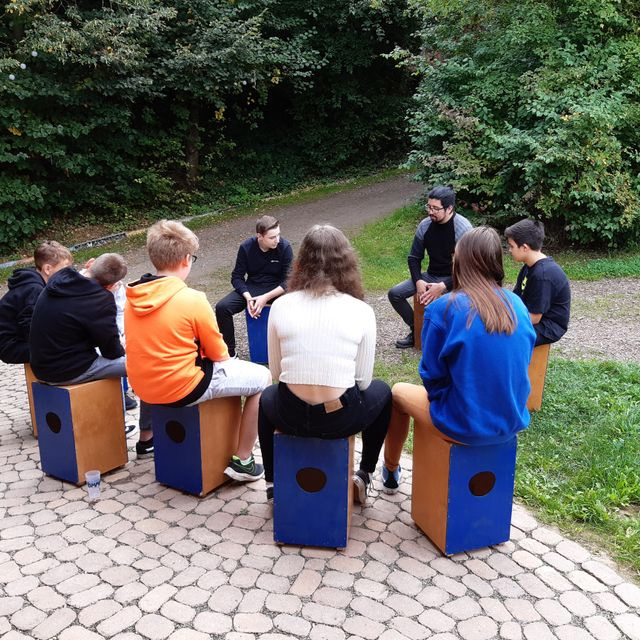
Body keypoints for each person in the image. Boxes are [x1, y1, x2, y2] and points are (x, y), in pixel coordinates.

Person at [381, 227, 536, 493]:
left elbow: (431, 375)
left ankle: (391, 471)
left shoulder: (443, 308)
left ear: (460, 261)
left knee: (397, 394)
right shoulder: (518, 305)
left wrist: (449, 401)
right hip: (510, 420)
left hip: (461, 422)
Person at [258, 224, 392, 505]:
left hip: (290, 414)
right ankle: (364, 474)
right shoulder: (361, 311)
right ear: (347, 262)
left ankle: (272, 483)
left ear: (301, 261)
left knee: (266, 398)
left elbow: (276, 372)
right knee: (383, 393)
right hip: (340, 418)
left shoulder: (281, 305)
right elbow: (363, 380)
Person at [125, 220, 271, 474]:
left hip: (144, 387)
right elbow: (220, 354)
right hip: (182, 387)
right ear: (186, 260)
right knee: (263, 378)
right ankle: (243, 459)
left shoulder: (133, 296)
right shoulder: (192, 299)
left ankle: (150, 440)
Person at [29, 253, 144, 437]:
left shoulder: (60, 279)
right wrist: (124, 344)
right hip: (68, 370)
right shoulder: (100, 299)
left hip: (40, 365)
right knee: (144, 364)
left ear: (91, 265)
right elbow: (112, 352)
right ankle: (136, 431)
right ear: (112, 286)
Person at [388, 185, 473, 348]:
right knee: (395, 294)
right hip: (431, 275)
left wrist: (444, 285)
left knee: (459, 304)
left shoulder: (463, 229)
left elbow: (470, 268)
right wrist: (418, 280)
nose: (430, 212)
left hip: (458, 278)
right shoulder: (425, 225)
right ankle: (417, 330)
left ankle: (455, 340)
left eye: (435, 208)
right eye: (429, 207)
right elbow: (414, 257)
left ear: (449, 208)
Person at [215, 215, 293, 357]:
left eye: (278, 235)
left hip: (277, 290)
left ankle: (289, 350)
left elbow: (289, 281)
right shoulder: (246, 247)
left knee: (294, 305)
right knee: (222, 308)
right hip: (252, 288)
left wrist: (265, 298)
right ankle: (230, 354)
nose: (277, 240)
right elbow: (237, 277)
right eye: (272, 237)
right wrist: (248, 297)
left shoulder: (285, 247)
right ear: (259, 236)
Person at [0, 241, 72, 364]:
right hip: (11, 346)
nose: (68, 273)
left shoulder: (34, 281)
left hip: (16, 341)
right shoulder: (34, 289)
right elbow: (30, 325)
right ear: (47, 269)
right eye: (64, 268)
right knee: (64, 349)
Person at [505, 219, 571, 346]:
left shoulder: (543, 275)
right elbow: (516, 299)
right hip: (532, 316)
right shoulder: (528, 267)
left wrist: (504, 322)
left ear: (525, 248)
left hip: (548, 326)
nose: (509, 250)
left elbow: (534, 318)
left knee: (506, 336)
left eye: (512, 246)